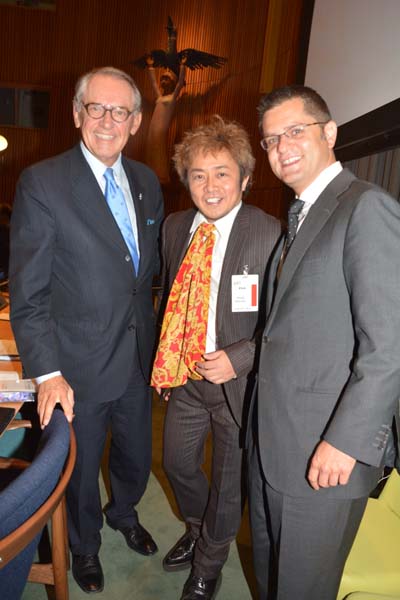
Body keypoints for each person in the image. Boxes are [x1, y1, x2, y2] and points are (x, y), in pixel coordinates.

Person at [9, 66, 164, 594]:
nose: (107, 120)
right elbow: (28, 294)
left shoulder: (147, 182)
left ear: (136, 121)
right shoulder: (43, 182)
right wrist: (48, 372)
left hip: (138, 356)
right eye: (95, 108)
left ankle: (123, 513)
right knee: (78, 467)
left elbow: (144, 278)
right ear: (77, 115)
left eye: (120, 111)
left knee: (136, 455)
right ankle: (84, 544)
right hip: (76, 363)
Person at [249, 84, 400, 600]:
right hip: (275, 442)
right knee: (273, 577)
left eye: (295, 131)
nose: (281, 148)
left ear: (330, 133)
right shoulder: (300, 216)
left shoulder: (366, 208)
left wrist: (346, 442)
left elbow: (389, 346)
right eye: (270, 140)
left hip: (326, 453)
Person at [151, 116, 281, 600]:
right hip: (186, 379)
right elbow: (169, 296)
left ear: (245, 179)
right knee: (177, 463)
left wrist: (241, 357)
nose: (210, 186)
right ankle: (199, 527)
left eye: (222, 173)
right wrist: (166, 357)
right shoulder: (175, 226)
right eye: (199, 175)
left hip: (238, 386)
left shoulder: (270, 235)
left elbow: (284, 319)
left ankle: (209, 560)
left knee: (229, 483)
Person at [144, 56, 186, 184]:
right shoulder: (160, 97)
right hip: (152, 129)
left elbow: (180, 84)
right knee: (150, 150)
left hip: (160, 131)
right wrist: (150, 67)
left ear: (172, 82)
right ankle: (149, 173)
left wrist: (182, 66)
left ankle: (161, 176)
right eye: (162, 78)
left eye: (166, 78)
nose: (163, 80)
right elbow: (153, 84)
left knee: (158, 150)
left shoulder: (172, 98)